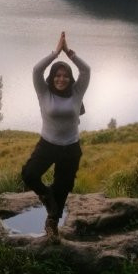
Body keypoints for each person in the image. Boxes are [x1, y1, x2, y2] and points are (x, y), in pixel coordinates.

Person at [21, 31, 90, 243]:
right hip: (47, 145)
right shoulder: (44, 92)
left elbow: (86, 70)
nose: (61, 79)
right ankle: (47, 199)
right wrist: (56, 52)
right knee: (29, 174)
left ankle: (52, 224)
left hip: (70, 148)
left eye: (65, 76)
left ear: (70, 79)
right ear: (52, 78)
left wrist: (69, 53)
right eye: (57, 75)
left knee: (62, 187)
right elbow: (36, 70)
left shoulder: (77, 92)